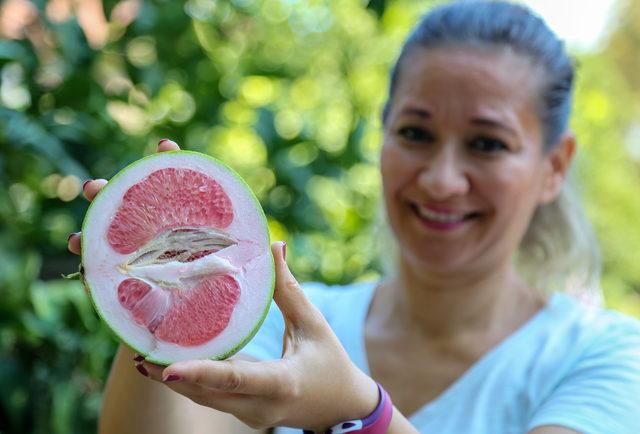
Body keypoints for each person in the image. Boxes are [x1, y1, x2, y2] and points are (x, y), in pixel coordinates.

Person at [67, 1, 640, 433]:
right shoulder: (273, 325)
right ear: (384, 139)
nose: (442, 179)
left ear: (554, 167)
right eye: (415, 133)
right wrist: (148, 298)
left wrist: (361, 415)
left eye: (487, 144)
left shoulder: (608, 356)